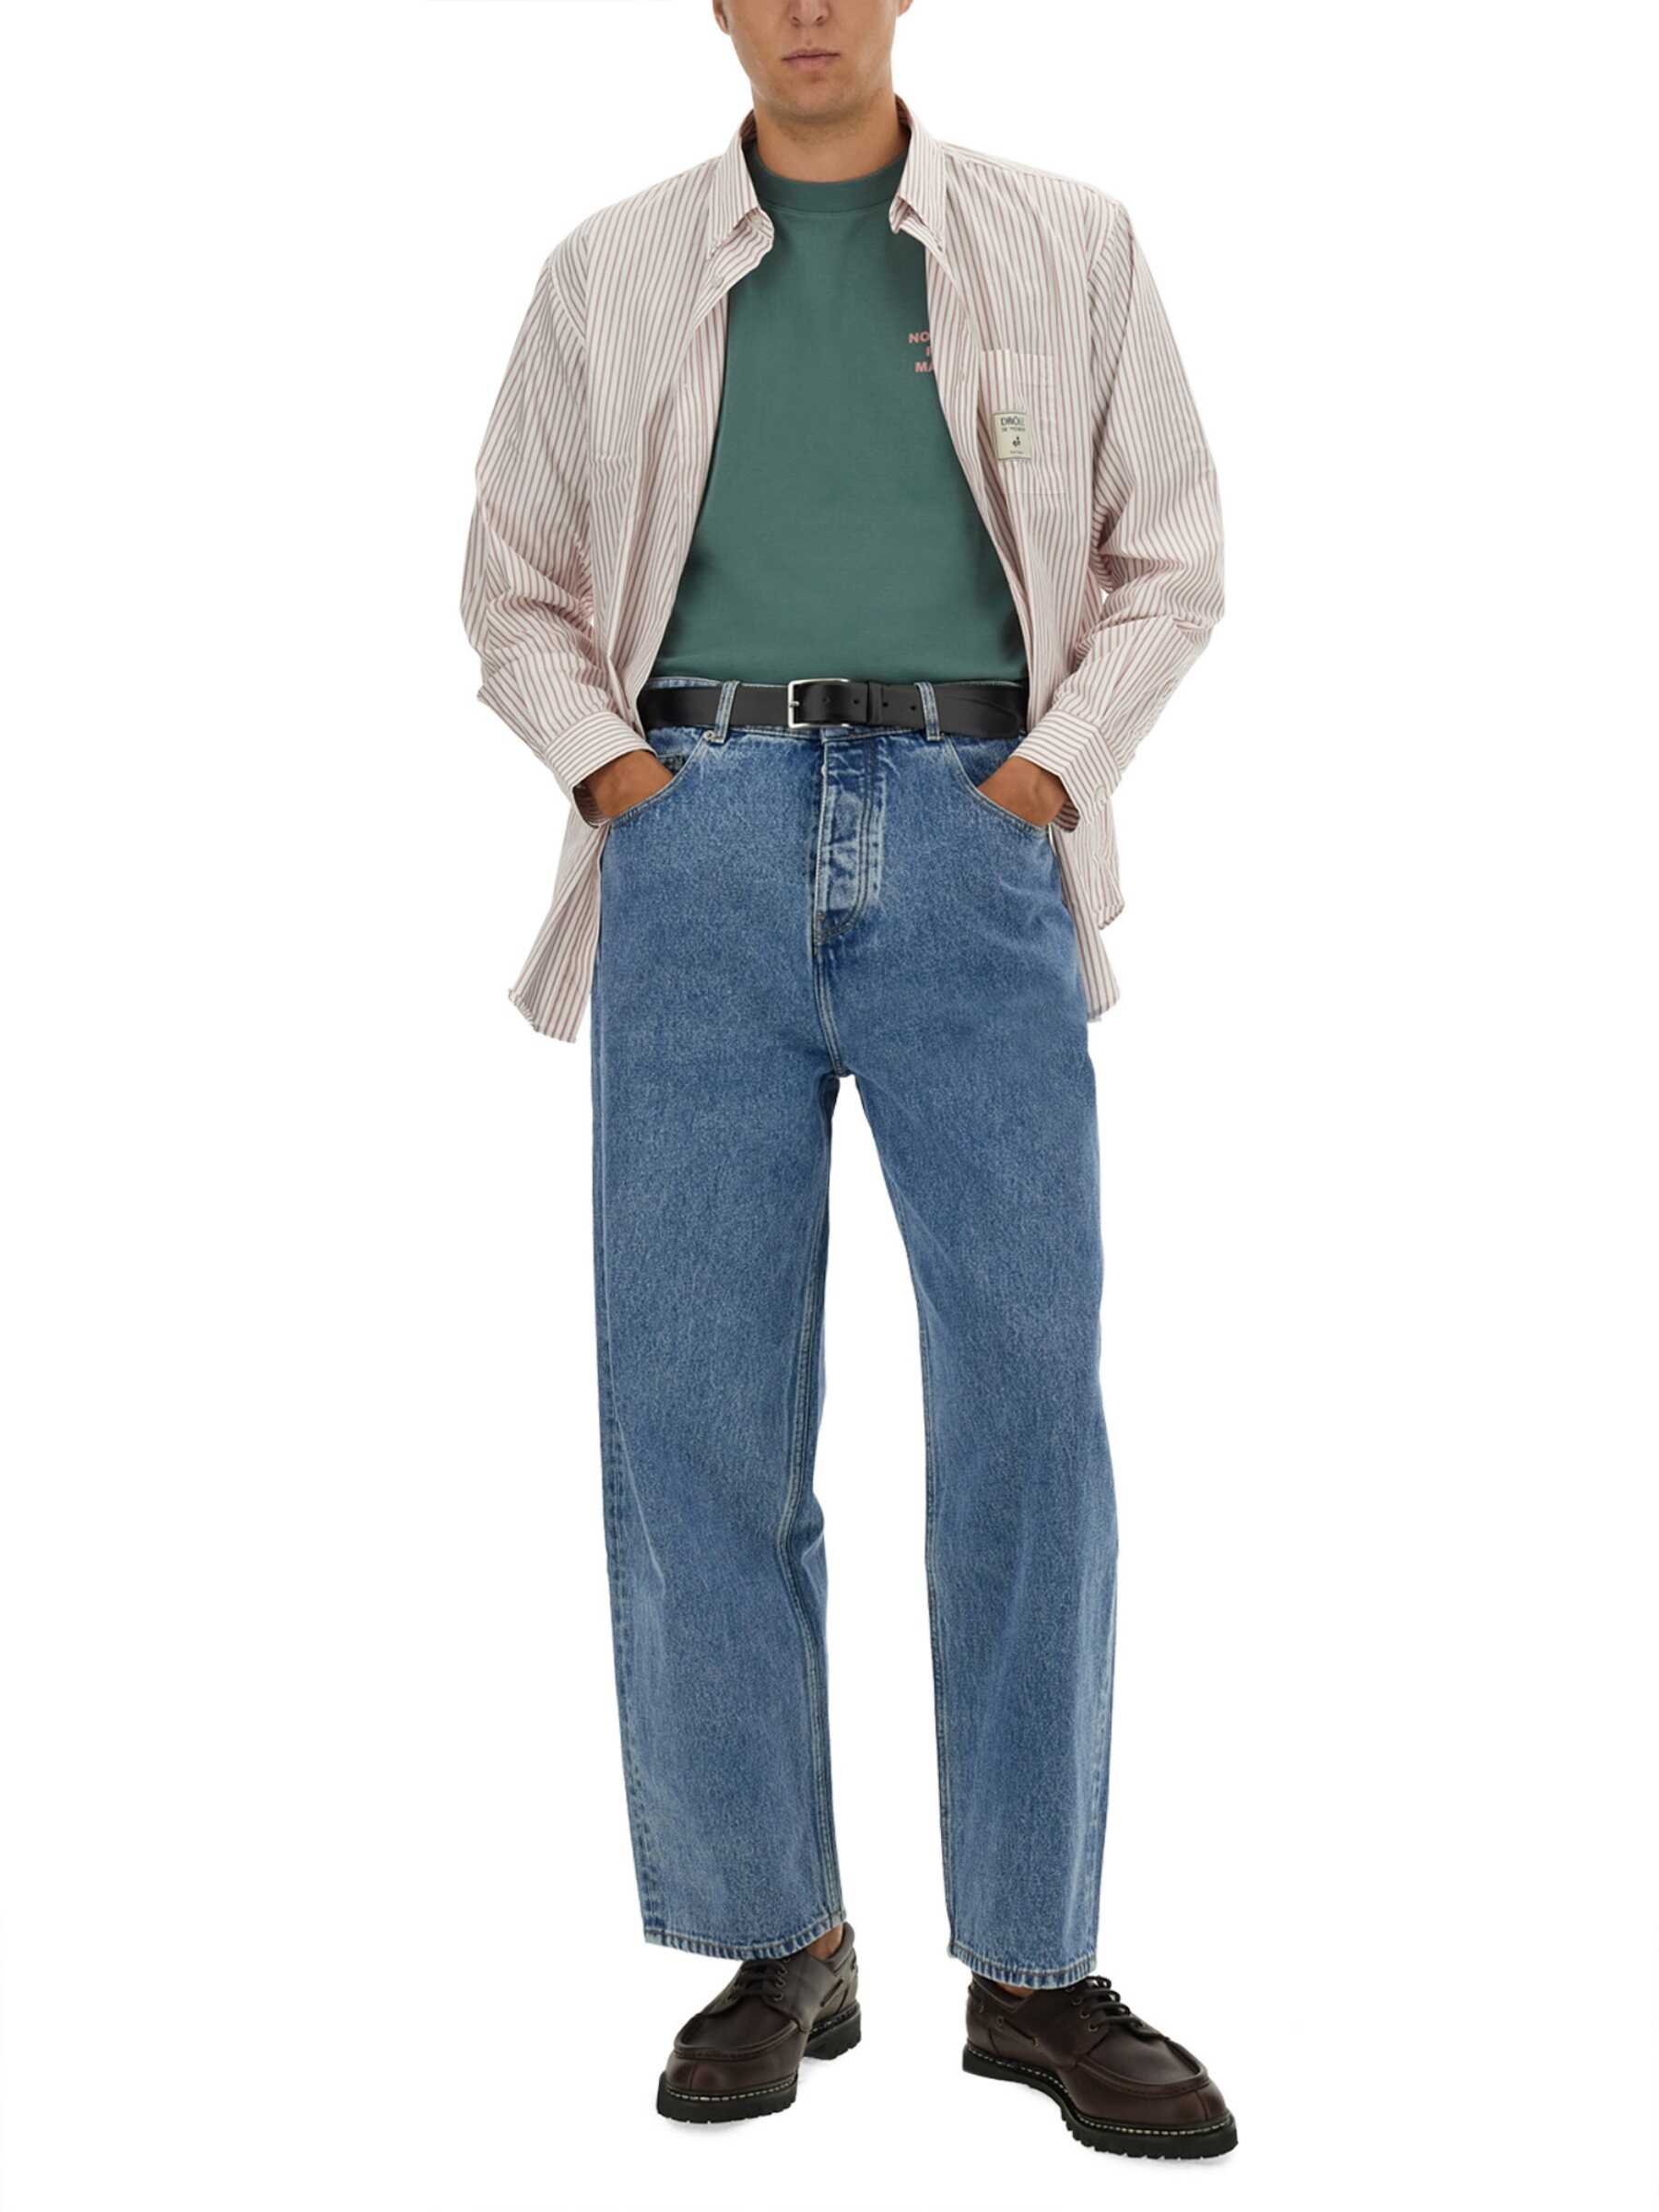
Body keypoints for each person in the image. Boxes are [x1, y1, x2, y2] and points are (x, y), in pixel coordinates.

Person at [460, 0, 1231, 2159]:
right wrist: (623, 783)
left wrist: (1041, 783)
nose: (807, 7)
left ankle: (1037, 1969)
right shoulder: (612, 266)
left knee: (1027, 1403)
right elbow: (513, 586)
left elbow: (1173, 560)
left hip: (975, 834)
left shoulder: (1069, 241)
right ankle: (773, 1938)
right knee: (696, 1409)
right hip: (693, 836)